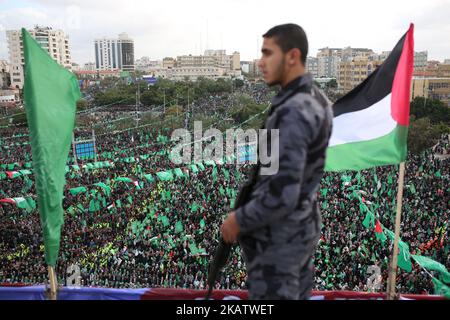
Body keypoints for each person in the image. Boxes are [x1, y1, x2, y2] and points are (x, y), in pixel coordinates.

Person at [220, 23, 333, 299]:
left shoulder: (295, 110)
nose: (260, 63)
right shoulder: (315, 98)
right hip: (298, 233)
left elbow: (283, 193)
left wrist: (237, 220)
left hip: (279, 244)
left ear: (292, 56)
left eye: (267, 53)